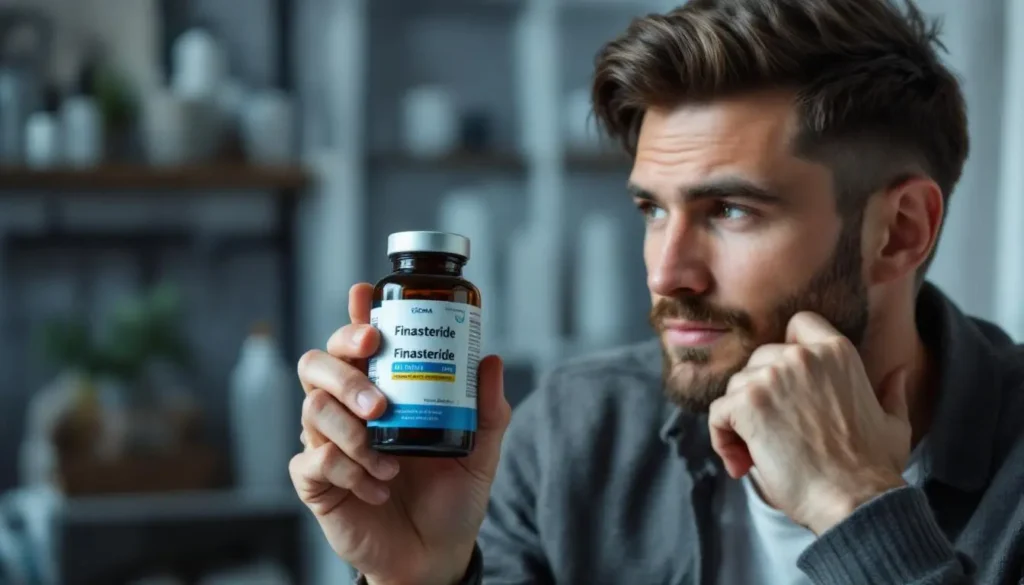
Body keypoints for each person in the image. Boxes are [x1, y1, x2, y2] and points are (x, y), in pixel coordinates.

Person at [290, 0, 1024, 583]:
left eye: (731, 210)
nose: (666, 273)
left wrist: (859, 508)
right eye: (653, 210)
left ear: (898, 232)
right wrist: (421, 577)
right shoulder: (574, 436)